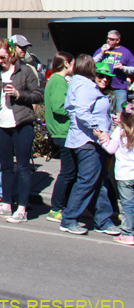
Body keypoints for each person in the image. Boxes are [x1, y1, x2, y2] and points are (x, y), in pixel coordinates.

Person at [0, 39, 43, 224]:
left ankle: (22, 209)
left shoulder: (25, 71)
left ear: (11, 54)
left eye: (3, 57)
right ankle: (6, 204)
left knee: (23, 167)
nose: (0, 61)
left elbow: (38, 95)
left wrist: (19, 94)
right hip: (2, 124)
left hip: (22, 123)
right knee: (5, 167)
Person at [59, 55, 119, 235]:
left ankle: (103, 220)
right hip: (87, 141)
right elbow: (82, 112)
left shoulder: (82, 84)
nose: (100, 76)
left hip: (90, 141)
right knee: (87, 180)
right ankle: (69, 218)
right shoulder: (84, 85)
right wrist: (99, 129)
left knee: (98, 181)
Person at [43, 52, 76, 222]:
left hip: (63, 132)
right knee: (68, 172)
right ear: (66, 64)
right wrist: (77, 110)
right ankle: (56, 208)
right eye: (73, 63)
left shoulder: (58, 80)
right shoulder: (57, 81)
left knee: (70, 171)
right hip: (62, 132)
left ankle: (64, 205)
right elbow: (58, 107)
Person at [100, 104, 134, 245]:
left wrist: (100, 139)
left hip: (124, 175)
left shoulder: (119, 132)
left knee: (127, 205)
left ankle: (128, 233)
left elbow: (111, 149)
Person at [93, 30, 134, 113]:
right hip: (103, 86)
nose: (108, 40)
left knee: (120, 112)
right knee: (102, 111)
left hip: (119, 87)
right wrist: (101, 54)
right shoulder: (101, 50)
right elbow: (91, 64)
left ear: (118, 40)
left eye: (111, 39)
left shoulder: (126, 52)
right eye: (107, 38)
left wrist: (123, 68)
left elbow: (133, 69)